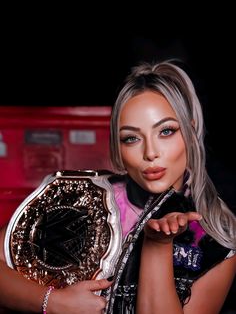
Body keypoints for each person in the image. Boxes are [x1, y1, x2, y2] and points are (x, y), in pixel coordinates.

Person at [0, 60, 236, 313]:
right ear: (119, 146)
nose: (150, 153)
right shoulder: (78, 197)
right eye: (131, 138)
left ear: (190, 131)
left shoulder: (218, 235)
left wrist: (157, 247)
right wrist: (54, 302)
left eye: (166, 131)